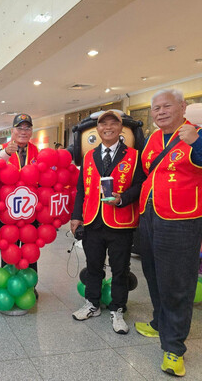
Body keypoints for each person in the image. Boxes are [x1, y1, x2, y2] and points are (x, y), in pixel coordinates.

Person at [135, 89, 202, 376]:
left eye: (167, 106)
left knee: (177, 282)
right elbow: (147, 173)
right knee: (152, 273)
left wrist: (197, 144)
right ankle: (159, 323)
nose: (160, 111)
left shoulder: (199, 135)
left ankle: (175, 347)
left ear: (182, 107)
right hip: (150, 215)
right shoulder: (153, 139)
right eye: (155, 108)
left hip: (182, 219)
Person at [70, 110, 145, 334]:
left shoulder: (134, 156)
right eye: (104, 124)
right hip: (93, 220)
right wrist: (76, 216)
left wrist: (123, 198)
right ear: (98, 129)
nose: (108, 127)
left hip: (120, 222)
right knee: (93, 266)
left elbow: (140, 185)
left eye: (114, 124)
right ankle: (92, 304)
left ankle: (118, 308)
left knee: (120, 269)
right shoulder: (89, 156)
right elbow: (81, 188)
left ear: (121, 129)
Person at [0, 113, 39, 287]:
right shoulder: (2, 149)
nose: (23, 131)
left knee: (30, 249)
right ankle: (8, 284)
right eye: (20, 128)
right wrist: (5, 154)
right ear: (12, 130)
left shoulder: (37, 151)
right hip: (7, 212)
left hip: (31, 211)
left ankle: (29, 286)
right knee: (9, 249)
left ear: (31, 131)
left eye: (27, 128)